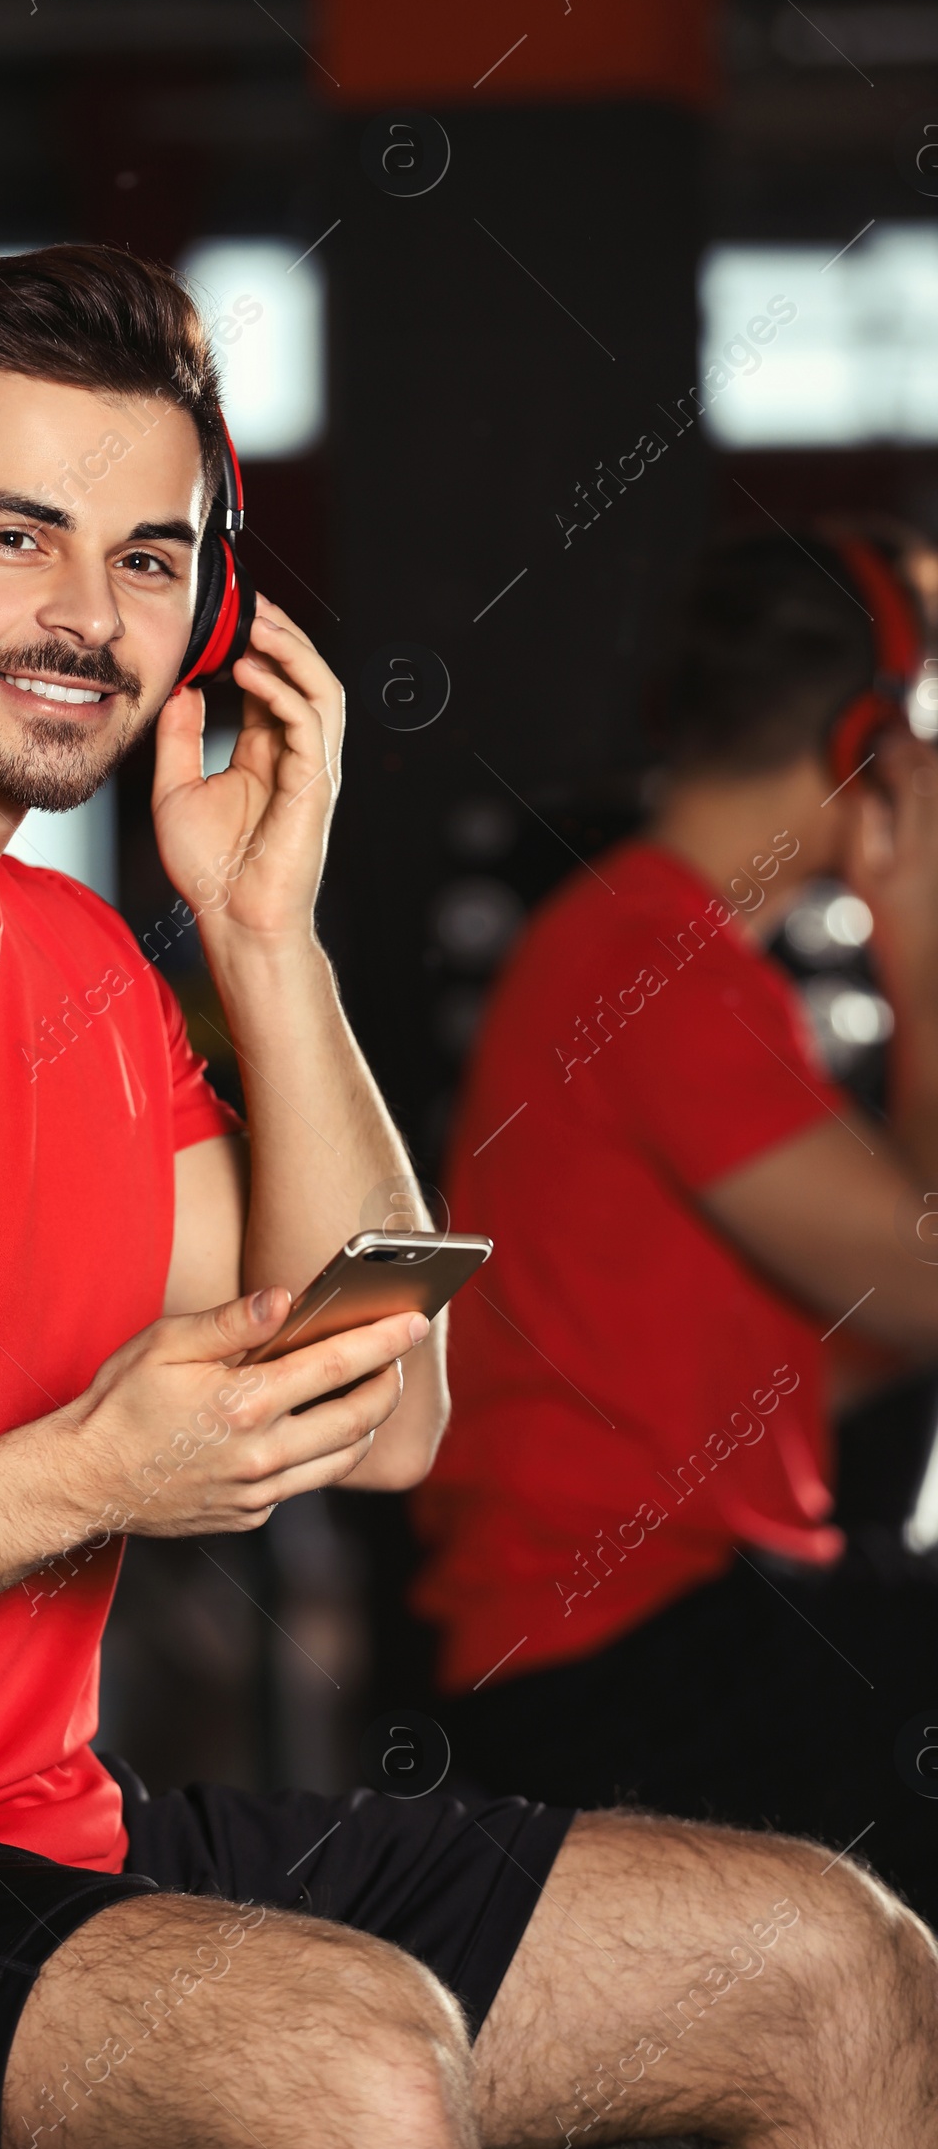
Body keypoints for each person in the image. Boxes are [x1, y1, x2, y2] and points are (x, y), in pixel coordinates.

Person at [0, 261, 938, 2149]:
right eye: (17, 534)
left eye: (153, 560)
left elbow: (389, 1414)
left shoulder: (80, 962)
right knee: (349, 2059)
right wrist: (78, 1476)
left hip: (43, 1826)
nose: (91, 615)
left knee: (836, 1965)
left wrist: (267, 933)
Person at [416, 522, 938, 1938]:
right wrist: (928, 933)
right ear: (866, 741)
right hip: (612, 1659)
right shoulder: (652, 960)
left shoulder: (669, 953)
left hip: (682, 1614)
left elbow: (826, 1359)